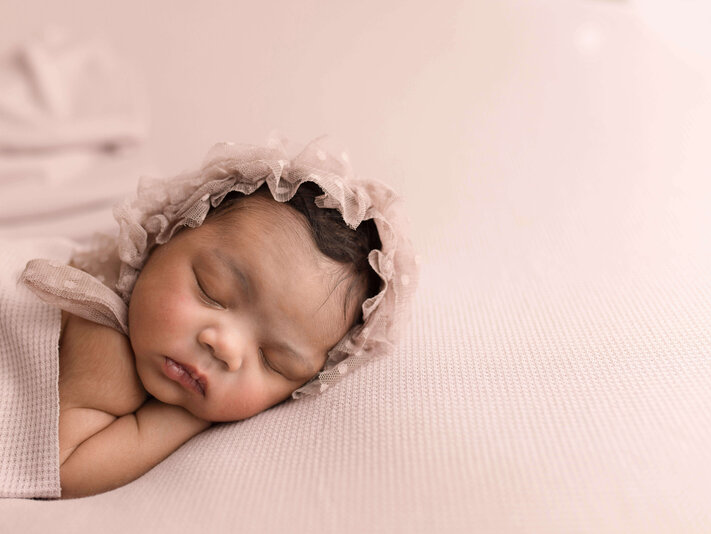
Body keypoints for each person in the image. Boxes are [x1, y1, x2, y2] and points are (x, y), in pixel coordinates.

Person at [21, 138, 417, 498]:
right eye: (212, 291)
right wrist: (181, 420)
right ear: (165, 234)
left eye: (273, 361)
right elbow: (63, 468)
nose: (224, 347)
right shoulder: (101, 334)